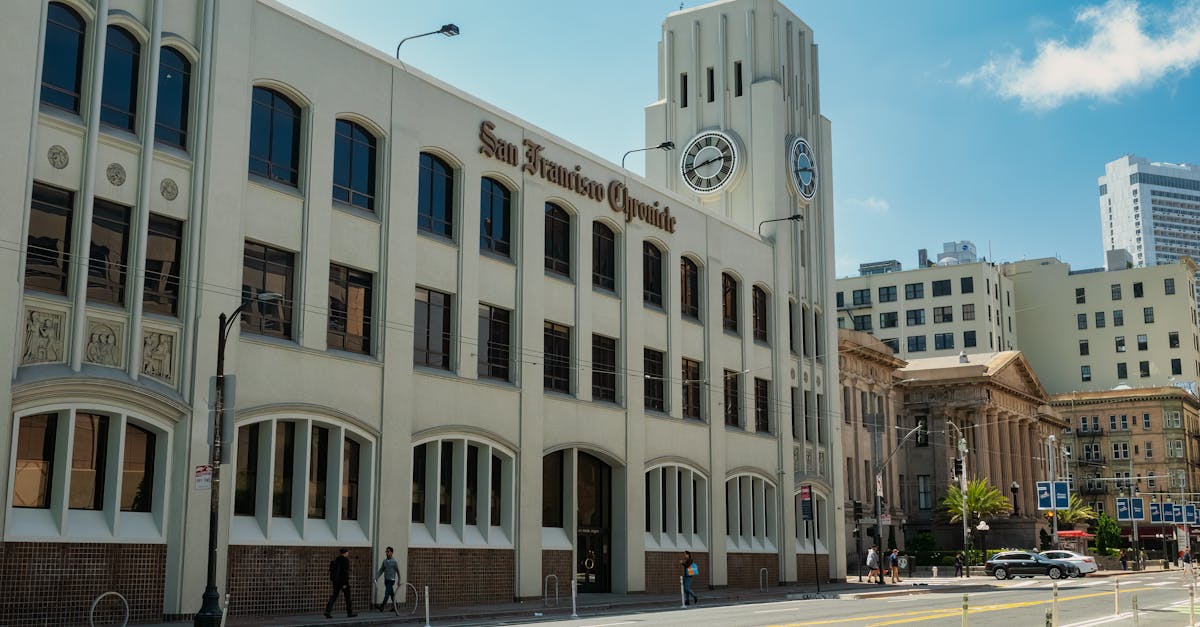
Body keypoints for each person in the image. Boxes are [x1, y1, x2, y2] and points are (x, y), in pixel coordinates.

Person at [326, 547, 356, 619]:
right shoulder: (345, 560)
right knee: (348, 597)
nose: (348, 553)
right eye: (347, 552)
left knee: (334, 596)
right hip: (343, 582)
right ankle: (350, 613)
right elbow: (345, 572)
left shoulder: (337, 559)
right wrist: (345, 583)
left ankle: (327, 611)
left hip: (336, 581)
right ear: (345, 553)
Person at [375, 546, 399, 611]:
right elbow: (381, 570)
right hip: (386, 579)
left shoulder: (394, 562)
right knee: (391, 594)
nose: (386, 553)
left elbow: (398, 571)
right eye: (386, 551)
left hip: (391, 580)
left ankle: (382, 606)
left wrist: (399, 580)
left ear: (391, 552)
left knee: (387, 593)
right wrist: (376, 577)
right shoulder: (384, 561)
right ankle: (396, 606)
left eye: (388, 551)